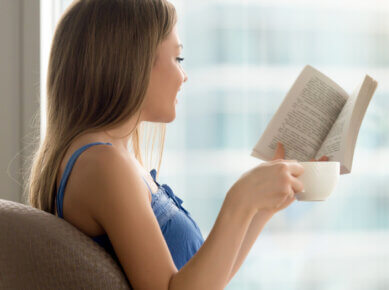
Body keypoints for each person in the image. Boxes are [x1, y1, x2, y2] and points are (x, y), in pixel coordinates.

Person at [26, 0, 329, 288]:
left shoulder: (109, 158)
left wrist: (260, 207)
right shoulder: (103, 164)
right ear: (133, 62)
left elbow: (205, 280)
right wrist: (240, 200)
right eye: (177, 58)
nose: (184, 76)